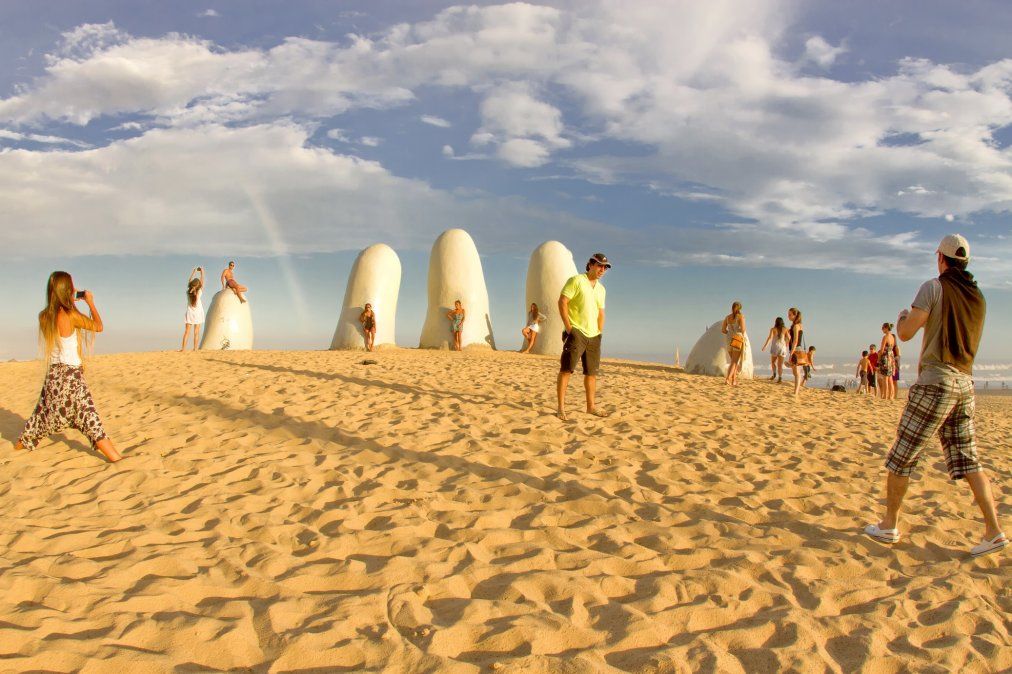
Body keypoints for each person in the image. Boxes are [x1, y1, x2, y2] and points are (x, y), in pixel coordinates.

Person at [865, 234, 1005, 557]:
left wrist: (902, 316)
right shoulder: (978, 298)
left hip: (936, 382)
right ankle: (994, 530)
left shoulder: (934, 287)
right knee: (970, 460)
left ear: (940, 258)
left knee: (902, 455)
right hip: (965, 386)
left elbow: (906, 332)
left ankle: (889, 524)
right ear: (965, 263)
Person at [15, 272, 122, 463]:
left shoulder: (44, 316)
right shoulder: (71, 315)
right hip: (71, 378)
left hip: (53, 378)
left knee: (40, 417)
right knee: (92, 422)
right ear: (67, 290)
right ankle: (116, 459)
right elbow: (98, 326)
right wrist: (89, 302)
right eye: (71, 287)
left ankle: (19, 446)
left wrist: (69, 300)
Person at [557, 253, 610, 420]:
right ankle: (560, 408)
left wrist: (599, 331)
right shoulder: (577, 280)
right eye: (599, 265)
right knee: (567, 370)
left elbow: (601, 312)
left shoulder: (601, 289)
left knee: (591, 373)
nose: (602, 269)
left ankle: (591, 407)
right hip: (577, 331)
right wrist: (569, 327)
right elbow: (562, 301)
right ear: (591, 265)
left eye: (605, 267)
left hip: (594, 335)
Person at [721, 301, 746, 386]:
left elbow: (723, 330)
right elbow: (743, 330)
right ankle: (728, 378)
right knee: (734, 362)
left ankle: (734, 380)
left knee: (733, 361)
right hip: (737, 338)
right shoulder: (740, 317)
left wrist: (729, 332)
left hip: (728, 338)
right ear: (740, 308)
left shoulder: (727, 317)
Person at [180, 266, 205, 351]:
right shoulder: (199, 292)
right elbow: (202, 282)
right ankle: (195, 349)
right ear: (198, 286)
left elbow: (189, 282)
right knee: (196, 332)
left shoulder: (188, 292)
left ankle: (183, 349)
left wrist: (193, 272)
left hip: (190, 313)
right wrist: (202, 272)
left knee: (186, 332)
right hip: (198, 313)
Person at [761, 317, 789, 383]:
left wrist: (765, 346)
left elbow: (770, 338)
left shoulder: (773, 329)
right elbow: (789, 338)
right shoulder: (785, 329)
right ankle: (780, 378)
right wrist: (786, 343)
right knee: (780, 364)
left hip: (775, 348)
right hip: (782, 348)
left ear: (776, 322)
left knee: (773, 362)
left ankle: (774, 374)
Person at [786, 308, 808, 395]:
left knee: (796, 373)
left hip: (796, 349)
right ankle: (796, 391)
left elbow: (795, 341)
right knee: (795, 372)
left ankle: (795, 392)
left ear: (795, 315)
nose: (788, 316)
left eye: (790, 315)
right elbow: (793, 339)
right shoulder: (798, 325)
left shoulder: (796, 326)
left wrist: (791, 353)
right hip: (797, 348)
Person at [877, 323, 897, 400]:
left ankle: (885, 396)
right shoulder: (892, 337)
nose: (882, 329)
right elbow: (892, 348)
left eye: (882, 328)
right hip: (891, 357)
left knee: (885, 378)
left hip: (885, 357)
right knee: (890, 378)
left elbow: (882, 350)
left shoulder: (885, 337)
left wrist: (878, 359)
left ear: (886, 328)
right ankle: (891, 396)